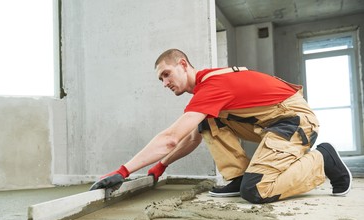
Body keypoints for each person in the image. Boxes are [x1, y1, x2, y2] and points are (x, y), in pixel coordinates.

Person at [90, 49, 352, 204]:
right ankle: (237, 177)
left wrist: (123, 171)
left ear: (183, 65)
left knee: (257, 190)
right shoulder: (206, 92)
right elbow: (191, 139)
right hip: (272, 121)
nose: (164, 83)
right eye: (160, 79)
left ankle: (323, 158)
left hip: (294, 121)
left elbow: (171, 138)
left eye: (166, 74)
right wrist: (161, 166)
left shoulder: (211, 87)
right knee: (207, 120)